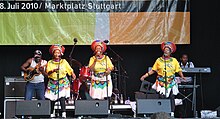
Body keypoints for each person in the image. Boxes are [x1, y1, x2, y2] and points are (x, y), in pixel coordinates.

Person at [140, 41, 186, 116]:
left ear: (170, 52)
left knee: (171, 97)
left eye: (168, 50)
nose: (166, 51)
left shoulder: (174, 61)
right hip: (161, 82)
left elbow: (178, 70)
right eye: (165, 49)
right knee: (162, 97)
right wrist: (145, 76)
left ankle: (171, 113)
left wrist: (182, 76)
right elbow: (153, 70)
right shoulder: (159, 60)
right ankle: (163, 114)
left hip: (171, 82)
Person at [45, 44, 76, 118]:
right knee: (52, 99)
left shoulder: (64, 62)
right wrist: (53, 70)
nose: (57, 54)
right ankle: (52, 112)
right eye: (55, 52)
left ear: (61, 54)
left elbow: (70, 69)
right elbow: (47, 72)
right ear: (53, 54)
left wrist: (73, 74)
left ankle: (63, 113)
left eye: (58, 53)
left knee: (62, 97)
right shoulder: (50, 62)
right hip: (53, 82)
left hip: (62, 81)